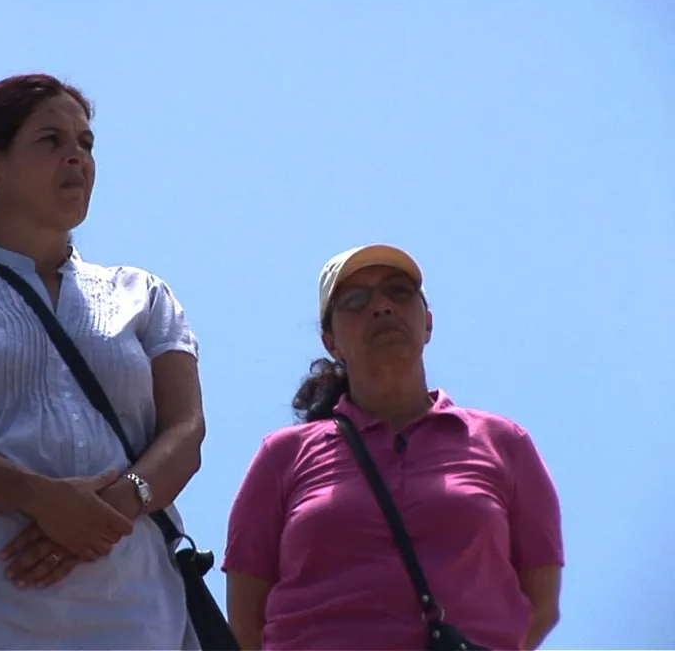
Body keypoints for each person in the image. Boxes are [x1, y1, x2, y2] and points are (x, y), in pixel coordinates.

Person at [0, 74, 206, 649]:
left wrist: (110, 508)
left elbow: (186, 430)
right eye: (51, 140)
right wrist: (38, 498)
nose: (77, 157)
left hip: (131, 604)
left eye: (85, 143)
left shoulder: (142, 293)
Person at [223, 243, 564, 650]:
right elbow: (245, 619)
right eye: (355, 300)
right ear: (331, 342)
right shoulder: (283, 456)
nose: (382, 307)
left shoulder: (503, 442)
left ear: (428, 323)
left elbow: (540, 603)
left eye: (399, 292)